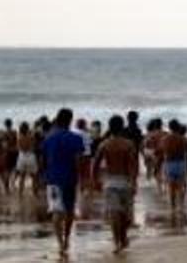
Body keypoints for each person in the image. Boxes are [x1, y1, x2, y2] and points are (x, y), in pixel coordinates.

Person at [94, 115, 139, 254]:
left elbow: (95, 164)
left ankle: (116, 242)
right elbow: (133, 165)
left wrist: (95, 180)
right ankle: (123, 237)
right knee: (126, 214)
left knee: (114, 214)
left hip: (110, 181)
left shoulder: (104, 144)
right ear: (122, 127)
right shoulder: (129, 144)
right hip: (125, 180)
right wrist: (133, 181)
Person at [43, 109, 85, 256]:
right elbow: (79, 160)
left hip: (53, 178)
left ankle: (60, 242)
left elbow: (44, 159)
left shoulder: (48, 138)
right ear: (70, 120)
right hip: (70, 178)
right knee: (69, 210)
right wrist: (82, 178)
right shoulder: (76, 138)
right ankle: (67, 238)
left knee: (56, 210)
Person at [162, 120, 187, 212]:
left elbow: (161, 151)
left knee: (171, 187)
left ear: (170, 127)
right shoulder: (184, 139)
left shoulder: (165, 139)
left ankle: (173, 206)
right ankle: (181, 205)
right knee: (181, 186)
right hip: (180, 163)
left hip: (169, 163)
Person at [14, 122, 37, 195]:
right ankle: (35, 193)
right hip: (31, 156)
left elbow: (18, 148)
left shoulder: (19, 137)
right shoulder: (31, 136)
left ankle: (20, 193)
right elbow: (33, 146)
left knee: (22, 177)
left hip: (22, 156)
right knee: (34, 177)